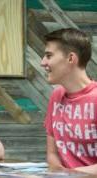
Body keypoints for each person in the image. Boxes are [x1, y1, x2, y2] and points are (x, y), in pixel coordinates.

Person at [41, 28, 97, 175]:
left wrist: (69, 174)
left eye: (49, 55)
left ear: (71, 58)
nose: (43, 62)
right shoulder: (56, 95)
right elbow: (52, 154)